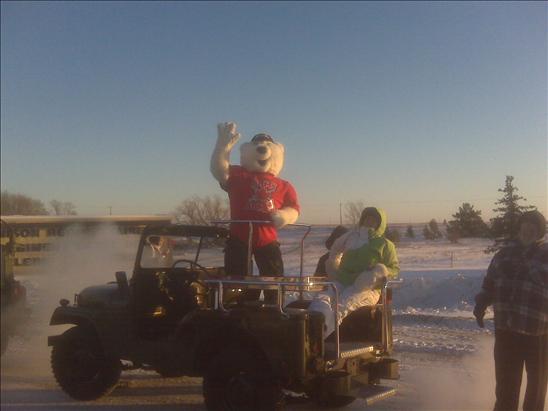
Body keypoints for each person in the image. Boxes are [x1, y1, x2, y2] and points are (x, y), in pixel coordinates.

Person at [474, 210, 547, 411]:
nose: (528, 229)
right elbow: (489, 283)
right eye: (525, 224)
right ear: (520, 227)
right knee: (506, 386)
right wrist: (481, 303)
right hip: (506, 330)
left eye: (534, 226)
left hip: (539, 332)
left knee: (536, 388)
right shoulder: (504, 254)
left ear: (540, 231)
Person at [309, 207, 400, 337]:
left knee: (342, 305)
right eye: (367, 218)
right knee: (322, 298)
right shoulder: (351, 238)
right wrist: (333, 266)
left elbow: (394, 269)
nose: (369, 222)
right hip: (342, 280)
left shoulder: (385, 244)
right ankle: (310, 330)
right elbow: (334, 249)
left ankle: (318, 337)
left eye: (374, 220)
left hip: (367, 288)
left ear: (380, 224)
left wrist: (378, 272)